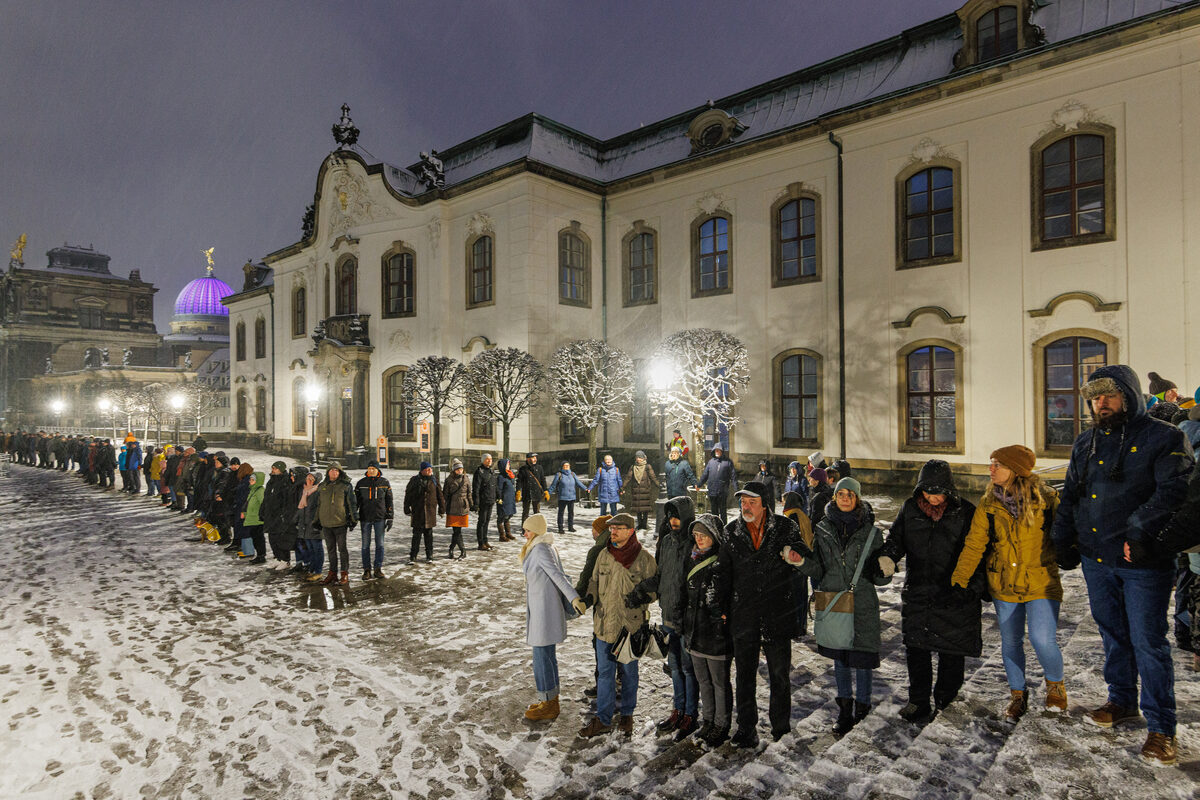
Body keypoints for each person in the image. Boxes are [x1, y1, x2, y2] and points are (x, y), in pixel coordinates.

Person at [1052, 365, 1193, 766]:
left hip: (1141, 561)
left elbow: (1174, 491)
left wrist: (1138, 532)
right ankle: (1122, 700)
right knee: (1113, 633)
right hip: (1097, 557)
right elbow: (1072, 495)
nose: (1101, 403)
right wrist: (1062, 540)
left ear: (1129, 395)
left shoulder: (1165, 438)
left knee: (1148, 640)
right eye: (1095, 397)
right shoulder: (1086, 442)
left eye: (1109, 395)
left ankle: (1162, 727)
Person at [953, 446, 1063, 725]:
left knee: (1041, 638)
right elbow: (975, 543)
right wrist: (959, 579)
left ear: (1015, 470)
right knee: (1011, 641)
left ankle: (1055, 686)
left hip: (1040, 581)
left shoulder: (1047, 499)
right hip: (1003, 582)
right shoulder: (989, 503)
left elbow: (1066, 532)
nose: (990, 470)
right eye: (991, 464)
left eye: (997, 465)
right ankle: (1017, 694)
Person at [786, 477, 890, 737]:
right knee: (841, 657)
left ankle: (863, 707)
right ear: (834, 498)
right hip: (833, 600)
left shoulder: (872, 533)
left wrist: (887, 570)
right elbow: (818, 568)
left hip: (863, 603)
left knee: (863, 658)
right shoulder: (822, 529)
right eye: (840, 494)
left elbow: (878, 577)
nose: (844, 498)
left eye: (850, 494)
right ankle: (845, 709)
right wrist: (799, 562)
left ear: (857, 499)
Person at [880, 459, 981, 723]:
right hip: (919, 592)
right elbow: (895, 539)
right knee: (917, 649)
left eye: (937, 492)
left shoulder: (966, 512)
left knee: (951, 653)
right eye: (927, 491)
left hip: (954, 595)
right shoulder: (910, 509)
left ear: (948, 490)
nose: (932, 498)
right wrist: (888, 557)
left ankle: (946, 701)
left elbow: (979, 552)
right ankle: (918, 701)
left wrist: (971, 588)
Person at [719, 480, 804, 746]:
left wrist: (796, 555)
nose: (745, 506)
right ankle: (746, 728)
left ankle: (780, 726)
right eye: (743, 501)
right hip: (743, 615)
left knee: (779, 675)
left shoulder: (785, 527)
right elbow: (724, 573)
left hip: (776, 613)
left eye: (751, 501)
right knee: (744, 675)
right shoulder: (731, 531)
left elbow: (803, 555)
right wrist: (721, 609)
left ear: (764, 503)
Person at [578, 513, 657, 740]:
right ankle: (603, 719)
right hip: (604, 625)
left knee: (629, 673)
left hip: (629, 628)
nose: (612, 532)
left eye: (618, 529)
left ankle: (627, 715)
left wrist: (642, 596)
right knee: (605, 674)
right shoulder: (603, 555)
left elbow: (654, 590)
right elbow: (594, 581)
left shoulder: (644, 559)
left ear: (630, 531)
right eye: (611, 529)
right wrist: (589, 598)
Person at [627, 496, 698, 739]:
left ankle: (691, 714)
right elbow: (661, 576)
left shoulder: (693, 543)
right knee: (675, 667)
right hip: (669, 615)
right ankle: (678, 709)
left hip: (687, 619)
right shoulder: (667, 542)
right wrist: (641, 590)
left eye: (677, 515)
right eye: (670, 515)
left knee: (689, 669)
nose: (673, 520)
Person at [520, 513, 586, 722]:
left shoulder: (540, 549)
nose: (524, 534)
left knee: (542, 658)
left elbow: (558, 575)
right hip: (542, 610)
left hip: (544, 613)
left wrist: (574, 598)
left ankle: (549, 704)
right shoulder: (542, 547)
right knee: (546, 656)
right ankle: (549, 699)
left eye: (527, 530)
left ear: (537, 531)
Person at [677, 513, 733, 745]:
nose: (699, 539)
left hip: (716, 634)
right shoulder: (691, 559)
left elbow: (730, 598)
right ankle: (708, 720)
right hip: (695, 632)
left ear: (715, 537)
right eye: (696, 535)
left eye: (704, 535)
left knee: (719, 682)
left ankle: (722, 723)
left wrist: (722, 619)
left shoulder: (724, 562)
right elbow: (683, 594)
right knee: (703, 680)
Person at [575, 514, 613, 700]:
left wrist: (575, 598)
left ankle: (603, 686)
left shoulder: (598, 549)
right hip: (618, 605)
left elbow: (586, 578)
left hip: (603, 605)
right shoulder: (617, 545)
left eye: (593, 529)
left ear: (599, 530)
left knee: (601, 644)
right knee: (619, 645)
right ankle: (618, 681)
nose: (592, 532)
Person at [316, 462, 358, 585]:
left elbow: (352, 503)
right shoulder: (323, 486)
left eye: (337, 471)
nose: (334, 473)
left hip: (340, 522)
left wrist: (354, 518)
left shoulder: (345, 486)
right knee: (330, 550)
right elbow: (319, 504)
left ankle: (344, 573)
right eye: (332, 470)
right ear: (328, 472)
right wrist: (316, 519)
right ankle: (332, 573)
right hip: (326, 523)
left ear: (340, 473)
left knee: (342, 549)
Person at [356, 460, 394, 579]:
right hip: (365, 517)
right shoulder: (361, 483)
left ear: (378, 470)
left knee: (380, 545)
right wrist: (353, 516)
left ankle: (378, 568)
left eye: (373, 468)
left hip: (380, 517)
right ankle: (366, 569)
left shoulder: (384, 482)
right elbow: (355, 502)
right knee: (365, 545)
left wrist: (390, 516)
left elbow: (389, 501)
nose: (371, 470)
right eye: (369, 468)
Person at [404, 461, 444, 563]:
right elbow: (408, 495)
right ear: (422, 470)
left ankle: (429, 556)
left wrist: (442, 509)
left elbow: (440, 495)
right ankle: (413, 556)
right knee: (416, 536)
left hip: (430, 512)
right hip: (418, 511)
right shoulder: (414, 480)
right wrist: (406, 508)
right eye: (427, 469)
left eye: (430, 468)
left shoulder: (434, 480)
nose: (430, 470)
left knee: (429, 536)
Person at [260, 462, 294, 571]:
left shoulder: (285, 482)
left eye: (275, 468)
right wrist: (262, 510)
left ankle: (285, 560)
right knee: (272, 538)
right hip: (270, 514)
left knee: (281, 539)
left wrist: (283, 514)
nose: (273, 470)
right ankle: (277, 557)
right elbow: (266, 498)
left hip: (279, 515)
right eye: (272, 468)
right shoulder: (271, 481)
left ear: (280, 469)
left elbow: (286, 500)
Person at [295, 469, 324, 580]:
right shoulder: (305, 491)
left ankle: (318, 571)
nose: (309, 480)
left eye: (312, 479)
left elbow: (318, 509)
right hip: (305, 525)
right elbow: (301, 508)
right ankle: (312, 569)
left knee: (317, 549)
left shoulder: (317, 492)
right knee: (310, 549)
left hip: (314, 525)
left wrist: (316, 523)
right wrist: (296, 521)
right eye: (308, 478)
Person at [696, 446, 736, 525]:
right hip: (712, 491)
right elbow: (705, 475)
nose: (717, 452)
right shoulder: (711, 462)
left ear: (722, 451)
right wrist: (699, 484)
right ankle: (715, 526)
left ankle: (724, 527)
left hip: (722, 491)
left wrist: (736, 489)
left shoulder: (728, 462)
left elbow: (733, 477)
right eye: (715, 451)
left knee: (723, 511)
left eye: (719, 450)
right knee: (714, 511)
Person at [621, 450, 660, 531]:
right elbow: (628, 477)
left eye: (639, 457)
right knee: (638, 509)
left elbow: (653, 477)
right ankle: (639, 524)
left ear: (643, 458)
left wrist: (659, 485)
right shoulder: (633, 467)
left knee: (645, 509)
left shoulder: (647, 467)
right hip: (636, 491)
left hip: (645, 490)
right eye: (637, 457)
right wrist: (623, 486)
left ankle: (644, 524)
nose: (638, 459)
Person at [442, 458, 472, 559]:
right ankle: (463, 551)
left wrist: (471, 504)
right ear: (454, 470)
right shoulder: (449, 480)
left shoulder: (466, 478)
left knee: (457, 531)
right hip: (452, 508)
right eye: (458, 469)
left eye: (461, 469)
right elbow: (444, 495)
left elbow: (469, 493)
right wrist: (442, 508)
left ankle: (451, 548)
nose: (460, 471)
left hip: (463, 507)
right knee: (457, 531)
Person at [547, 460, 588, 534]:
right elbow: (553, 485)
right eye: (565, 466)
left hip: (572, 497)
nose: (566, 467)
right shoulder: (559, 475)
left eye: (567, 466)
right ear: (562, 467)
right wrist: (548, 493)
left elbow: (578, 483)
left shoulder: (572, 474)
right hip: (562, 497)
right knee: (561, 513)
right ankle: (560, 528)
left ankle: (570, 527)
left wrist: (585, 488)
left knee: (571, 513)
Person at [240, 470, 267, 565]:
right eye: (250, 479)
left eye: (252, 479)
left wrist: (261, 515)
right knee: (255, 538)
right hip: (251, 518)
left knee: (258, 538)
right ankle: (259, 555)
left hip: (257, 519)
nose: (250, 481)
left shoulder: (260, 491)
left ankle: (261, 555)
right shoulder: (253, 489)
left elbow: (263, 504)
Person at [472, 454, 497, 551]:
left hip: (491, 500)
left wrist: (498, 496)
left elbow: (495, 485)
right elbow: (476, 488)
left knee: (487, 521)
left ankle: (485, 540)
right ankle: (481, 543)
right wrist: (476, 503)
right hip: (483, 500)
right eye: (487, 459)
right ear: (483, 461)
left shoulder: (491, 471)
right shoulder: (479, 472)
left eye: (491, 459)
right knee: (482, 521)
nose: (489, 461)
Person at [517, 453, 547, 523]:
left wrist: (546, 491)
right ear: (527, 459)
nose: (535, 459)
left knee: (537, 512)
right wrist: (518, 491)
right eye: (533, 457)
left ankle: (537, 528)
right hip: (527, 493)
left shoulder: (539, 468)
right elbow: (519, 481)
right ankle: (524, 529)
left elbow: (543, 480)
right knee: (525, 513)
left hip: (536, 493)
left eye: (535, 457)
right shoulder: (523, 469)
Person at [496, 458, 517, 542]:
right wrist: (499, 498)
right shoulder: (501, 477)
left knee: (508, 516)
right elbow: (499, 489)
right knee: (501, 517)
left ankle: (508, 533)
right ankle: (502, 535)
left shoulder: (510, 475)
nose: (509, 465)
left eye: (509, 464)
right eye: (507, 464)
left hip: (510, 500)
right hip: (504, 500)